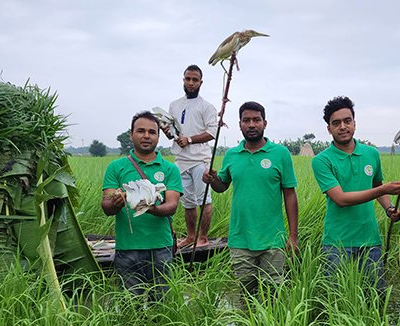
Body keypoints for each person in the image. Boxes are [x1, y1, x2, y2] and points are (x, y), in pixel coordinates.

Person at [203, 101, 298, 308]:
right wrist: (213, 180)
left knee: (273, 293)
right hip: (240, 239)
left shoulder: (280, 154)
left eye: (256, 120)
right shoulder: (232, 155)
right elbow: (222, 186)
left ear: (265, 123)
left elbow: (290, 195)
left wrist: (292, 236)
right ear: (240, 125)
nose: (252, 124)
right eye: (246, 120)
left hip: (273, 240)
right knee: (246, 292)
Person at [311, 96, 400, 292]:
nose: (343, 127)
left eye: (347, 121)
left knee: (375, 297)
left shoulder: (371, 154)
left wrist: (389, 208)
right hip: (336, 244)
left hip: (370, 240)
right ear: (329, 129)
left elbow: (376, 183)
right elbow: (340, 199)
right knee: (337, 299)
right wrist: (383, 190)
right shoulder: (322, 160)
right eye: (336, 123)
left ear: (355, 123)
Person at [102, 111, 182, 300]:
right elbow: (106, 206)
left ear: (158, 136)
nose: (146, 136)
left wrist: (151, 208)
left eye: (152, 132)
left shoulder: (170, 169)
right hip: (127, 248)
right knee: (131, 306)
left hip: (161, 248)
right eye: (141, 131)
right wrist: (115, 203)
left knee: (162, 305)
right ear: (131, 135)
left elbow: (172, 206)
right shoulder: (116, 167)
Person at [164, 64, 219, 248]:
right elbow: (173, 131)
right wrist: (168, 132)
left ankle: (202, 238)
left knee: (204, 200)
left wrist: (189, 140)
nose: (191, 83)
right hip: (181, 160)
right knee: (187, 202)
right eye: (188, 79)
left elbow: (212, 132)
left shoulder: (207, 107)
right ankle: (190, 236)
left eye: (195, 80)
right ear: (183, 80)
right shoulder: (174, 105)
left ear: (201, 83)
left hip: (200, 160)